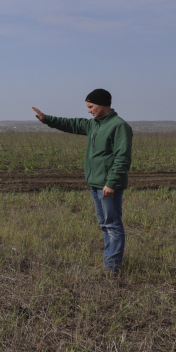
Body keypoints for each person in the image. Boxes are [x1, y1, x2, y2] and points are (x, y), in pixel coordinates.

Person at [32, 89, 132, 274]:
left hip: (108, 185)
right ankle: (108, 263)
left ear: (103, 104)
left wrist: (111, 183)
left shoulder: (119, 126)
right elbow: (70, 124)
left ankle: (111, 268)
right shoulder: (93, 125)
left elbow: (122, 158)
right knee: (104, 224)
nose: (88, 111)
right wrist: (47, 119)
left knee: (112, 225)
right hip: (95, 183)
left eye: (91, 107)